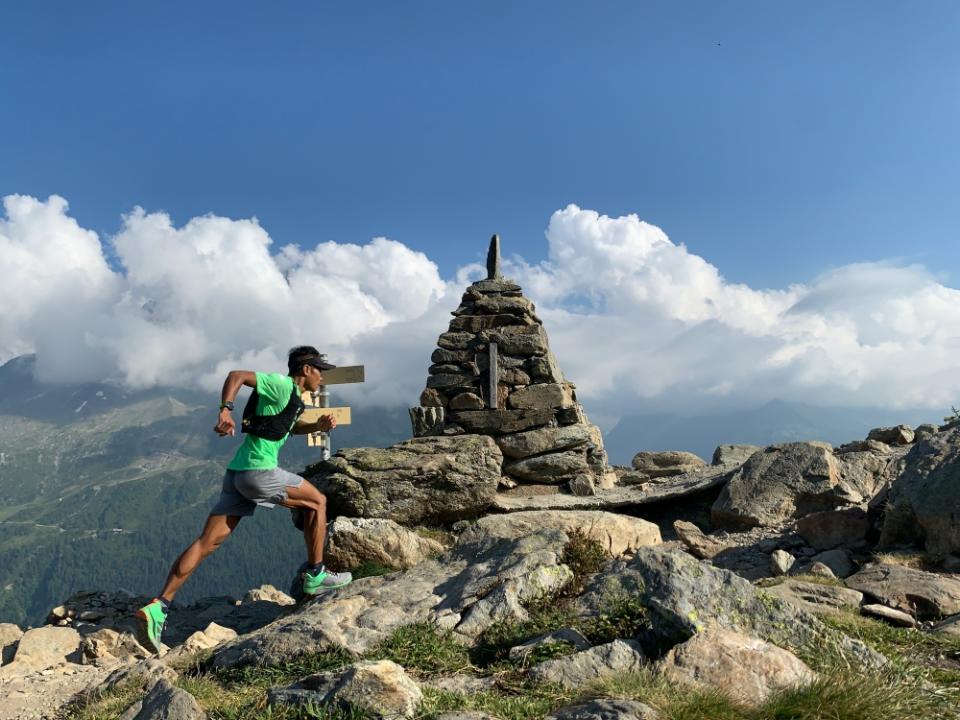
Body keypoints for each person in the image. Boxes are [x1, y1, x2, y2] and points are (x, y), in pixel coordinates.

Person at [135, 346, 351, 654]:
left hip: (237, 475)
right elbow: (236, 375)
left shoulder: (292, 399)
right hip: (259, 472)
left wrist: (318, 426)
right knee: (317, 501)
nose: (322, 376)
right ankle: (316, 574)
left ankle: (159, 606)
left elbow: (287, 426)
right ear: (305, 369)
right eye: (320, 369)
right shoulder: (280, 384)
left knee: (207, 542)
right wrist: (225, 409)